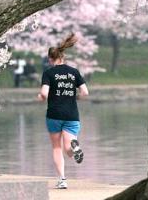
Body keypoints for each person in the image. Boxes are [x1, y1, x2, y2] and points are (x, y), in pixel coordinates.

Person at [37, 33, 89, 190]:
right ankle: (75, 147)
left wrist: (40, 96)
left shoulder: (48, 73)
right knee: (68, 147)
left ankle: (62, 180)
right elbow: (85, 92)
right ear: (63, 57)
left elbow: (45, 93)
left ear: (50, 59)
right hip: (72, 114)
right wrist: (76, 98)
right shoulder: (74, 72)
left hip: (54, 114)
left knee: (57, 147)